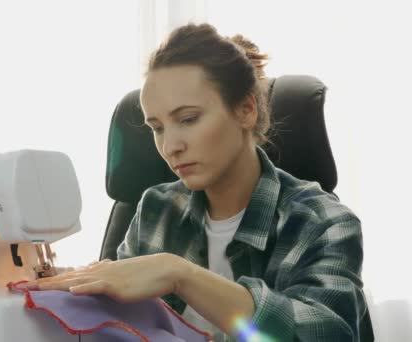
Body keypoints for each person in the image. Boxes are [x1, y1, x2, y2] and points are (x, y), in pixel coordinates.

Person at [26, 23, 370, 341]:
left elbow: (326, 333)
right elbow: (128, 327)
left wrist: (180, 274)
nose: (170, 146)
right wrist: (78, 290)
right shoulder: (155, 209)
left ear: (246, 110)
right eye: (157, 128)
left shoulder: (323, 222)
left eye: (188, 119)